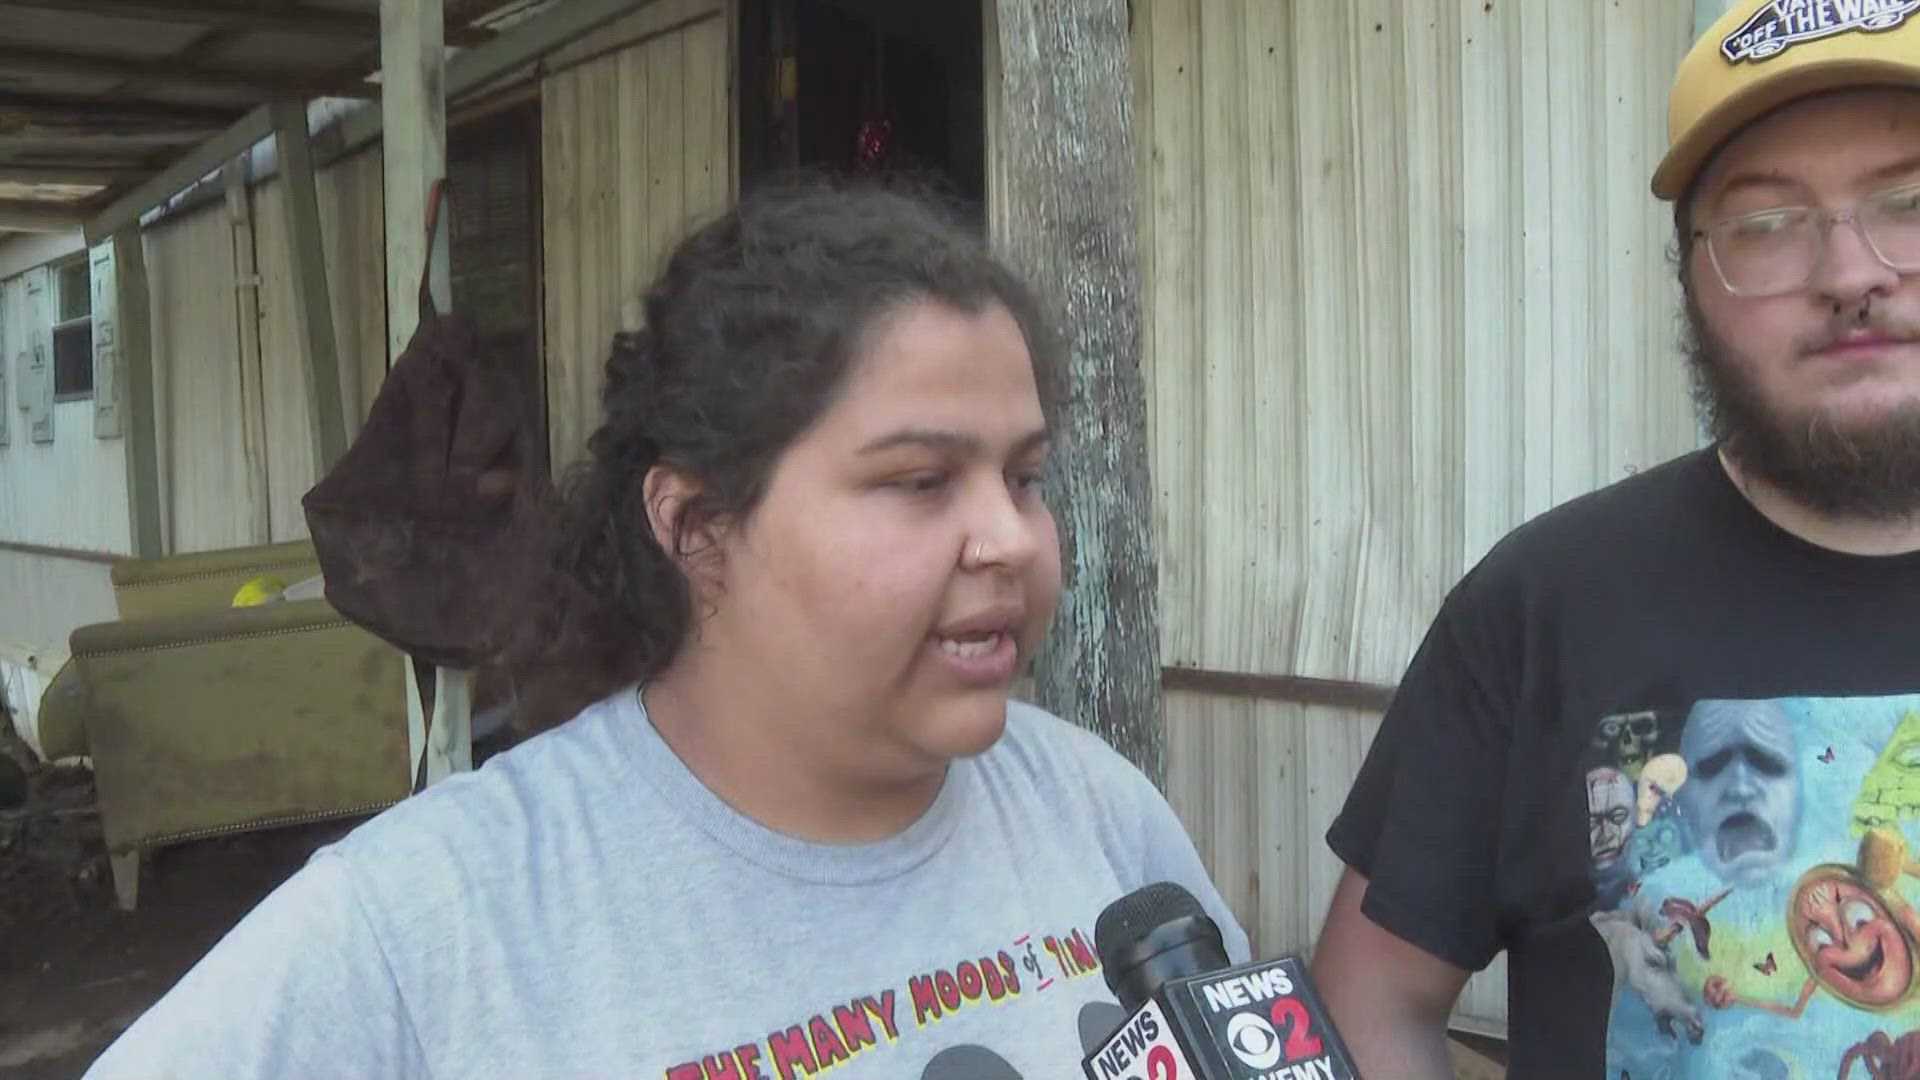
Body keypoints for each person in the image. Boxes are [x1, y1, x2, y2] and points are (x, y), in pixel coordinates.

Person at [84, 177, 1247, 1079]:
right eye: (919, 481)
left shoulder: (1091, 809)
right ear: (695, 524)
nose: (1010, 538)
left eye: (1026, 476)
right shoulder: (434, 917)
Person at [1311, 2, 1920, 1077]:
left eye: (1910, 201)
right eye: (1768, 224)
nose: (1852, 272)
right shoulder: (1543, 604)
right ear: (1687, 279)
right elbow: (1372, 1006)